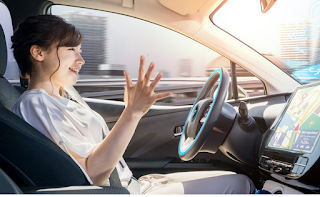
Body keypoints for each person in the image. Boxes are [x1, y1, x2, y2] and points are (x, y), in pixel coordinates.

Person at [11, 15, 255, 194]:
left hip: (130, 186)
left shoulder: (61, 96)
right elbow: (93, 174)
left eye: (80, 50)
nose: (81, 59)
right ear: (38, 53)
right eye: (71, 49)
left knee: (233, 178)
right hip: (118, 191)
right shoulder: (36, 103)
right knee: (240, 184)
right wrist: (132, 113)